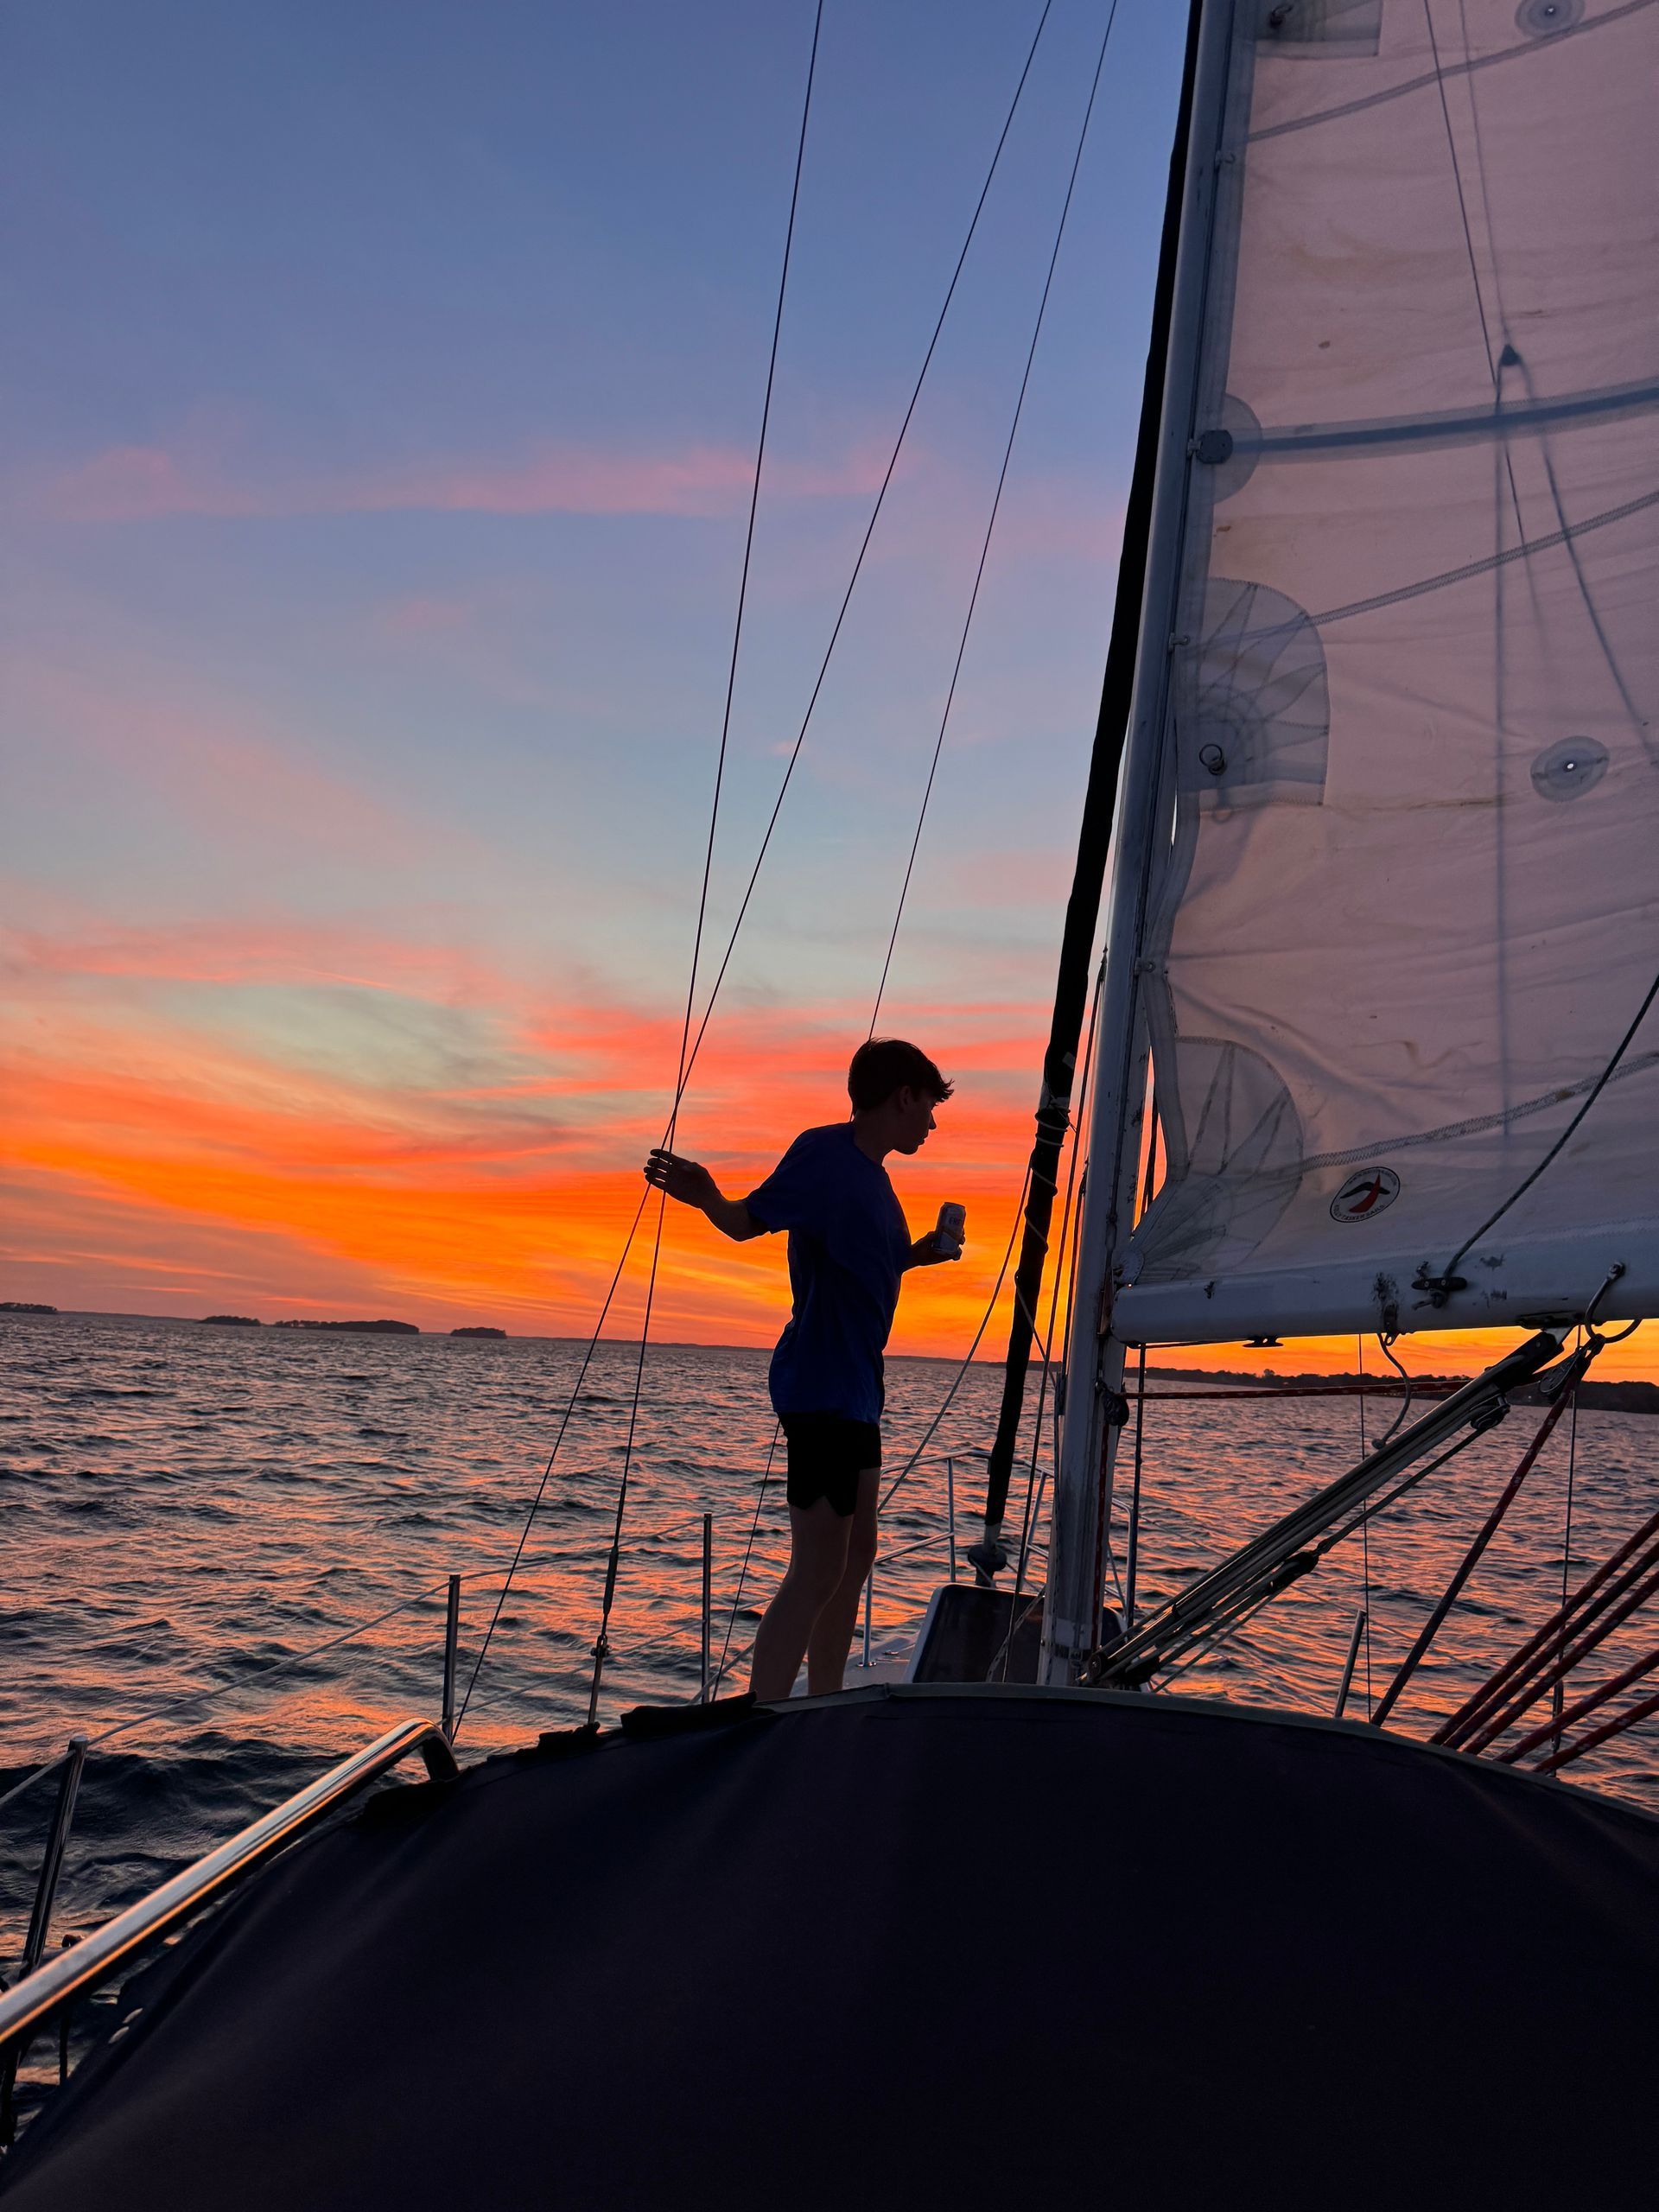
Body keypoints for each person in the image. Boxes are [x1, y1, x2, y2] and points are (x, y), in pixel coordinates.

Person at [645, 1037, 959, 1700]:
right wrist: (706, 1196)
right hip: (820, 1388)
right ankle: (765, 1719)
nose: (932, 1123)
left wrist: (919, 1256)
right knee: (818, 1567)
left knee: (857, 1555)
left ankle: (822, 1701)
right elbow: (743, 1222)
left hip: (858, 1392)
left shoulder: (876, 1180)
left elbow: (864, 1264)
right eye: (929, 1106)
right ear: (903, 1096)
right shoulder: (824, 1154)